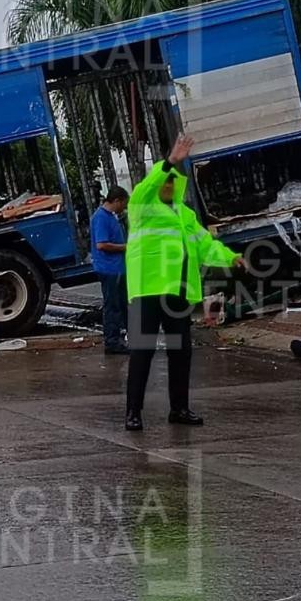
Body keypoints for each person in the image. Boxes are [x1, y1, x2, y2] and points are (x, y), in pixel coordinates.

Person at [124, 134, 245, 432]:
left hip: (178, 293)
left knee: (181, 352)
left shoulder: (186, 216)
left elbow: (206, 245)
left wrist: (231, 257)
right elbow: (147, 186)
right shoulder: (142, 208)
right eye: (164, 181)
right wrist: (169, 162)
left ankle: (179, 408)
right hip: (148, 290)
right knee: (142, 352)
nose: (167, 185)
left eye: (171, 182)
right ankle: (133, 412)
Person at [91, 186, 130, 354]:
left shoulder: (110, 216)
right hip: (109, 269)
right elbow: (101, 244)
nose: (125, 207)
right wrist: (124, 247)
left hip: (116, 268)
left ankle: (124, 336)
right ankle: (112, 342)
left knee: (121, 304)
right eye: (124, 204)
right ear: (117, 201)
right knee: (112, 306)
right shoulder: (101, 218)